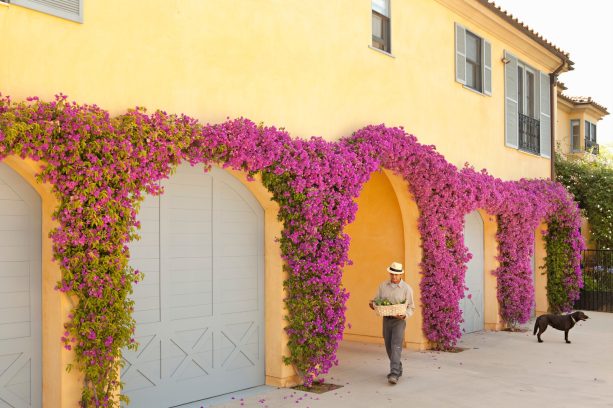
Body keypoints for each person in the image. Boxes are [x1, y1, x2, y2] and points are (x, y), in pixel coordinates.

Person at [369, 261, 415, 385]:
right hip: (386, 318)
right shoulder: (382, 286)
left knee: (396, 346)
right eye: (392, 274)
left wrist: (405, 314)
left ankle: (394, 373)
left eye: (397, 274)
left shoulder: (407, 289)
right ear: (390, 273)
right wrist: (373, 304)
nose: (394, 277)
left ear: (401, 275)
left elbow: (411, 307)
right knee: (388, 346)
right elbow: (376, 300)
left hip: (399, 321)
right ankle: (398, 367)